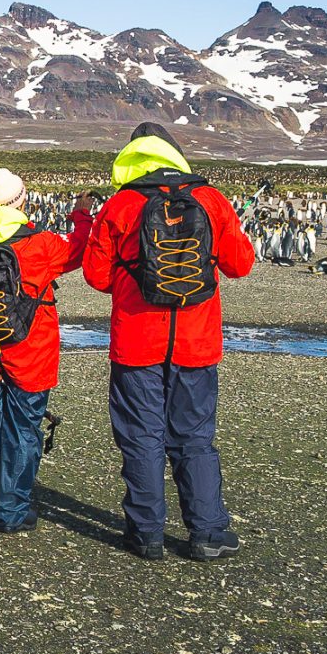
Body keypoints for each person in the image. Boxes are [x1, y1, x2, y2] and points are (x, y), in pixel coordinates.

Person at [83, 123, 254, 561]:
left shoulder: (120, 205)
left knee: (142, 438)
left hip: (136, 344)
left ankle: (146, 535)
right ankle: (208, 533)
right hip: (196, 345)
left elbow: (96, 275)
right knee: (194, 437)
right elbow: (240, 265)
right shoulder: (212, 200)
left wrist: (132, 274)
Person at [0, 169, 94, 533]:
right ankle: (11, 511)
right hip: (30, 352)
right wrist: (81, 215)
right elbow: (80, 249)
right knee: (22, 430)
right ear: (21, 201)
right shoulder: (42, 245)